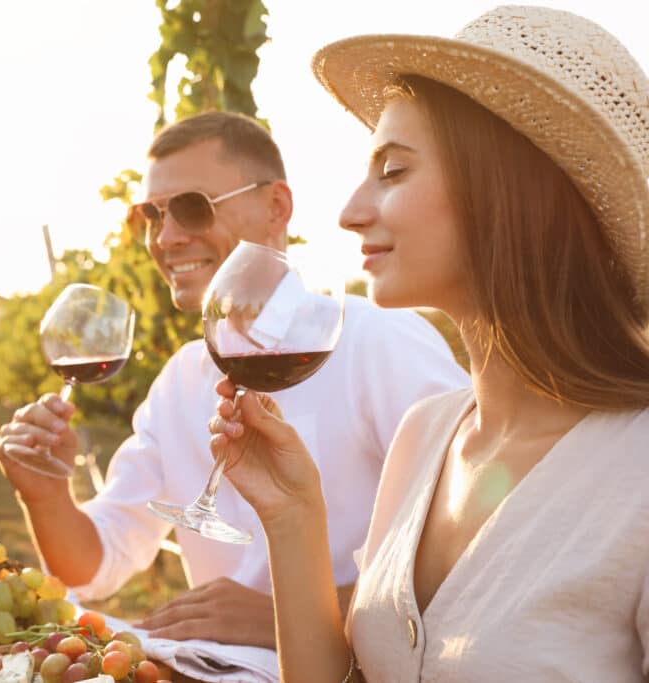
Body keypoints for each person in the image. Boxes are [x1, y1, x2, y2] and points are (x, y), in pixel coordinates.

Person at [208, 5, 649, 680]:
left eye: (393, 170)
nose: (351, 211)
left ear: (506, 190)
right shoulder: (425, 434)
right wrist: (294, 516)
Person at [0, 111, 469, 649]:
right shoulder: (179, 382)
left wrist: (285, 617)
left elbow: (478, 552)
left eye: (192, 208)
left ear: (276, 207)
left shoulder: (379, 341)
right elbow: (94, 566)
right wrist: (46, 494)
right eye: (151, 216)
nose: (166, 238)